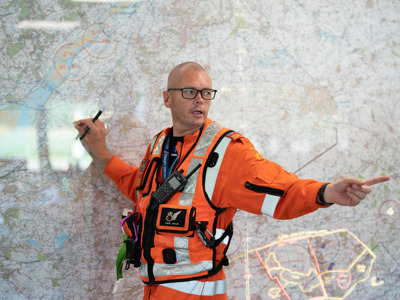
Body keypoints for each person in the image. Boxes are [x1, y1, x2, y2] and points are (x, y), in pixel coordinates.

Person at [75, 62, 390, 299]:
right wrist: (101, 152)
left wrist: (325, 192)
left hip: (196, 293)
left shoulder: (227, 152)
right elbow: (144, 193)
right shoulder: (161, 143)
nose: (199, 100)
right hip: (154, 289)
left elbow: (282, 189)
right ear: (167, 99)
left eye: (206, 93)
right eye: (189, 92)